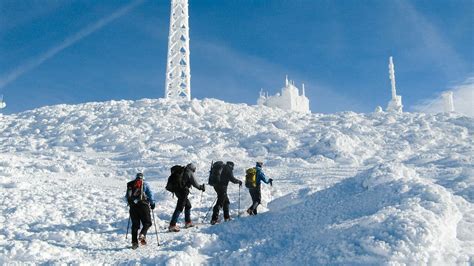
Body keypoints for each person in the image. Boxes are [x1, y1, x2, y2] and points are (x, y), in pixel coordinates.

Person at [169, 163, 205, 232]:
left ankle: (188, 222)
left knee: (188, 205)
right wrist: (201, 187)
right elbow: (195, 184)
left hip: (178, 191)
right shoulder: (189, 172)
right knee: (179, 208)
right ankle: (172, 225)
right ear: (193, 169)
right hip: (183, 192)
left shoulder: (183, 171)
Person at [125, 173, 155, 250]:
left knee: (135, 225)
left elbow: (126, 197)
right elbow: (151, 194)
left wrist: (131, 203)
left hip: (133, 207)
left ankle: (134, 243)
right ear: (143, 178)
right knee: (147, 222)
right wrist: (152, 203)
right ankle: (142, 234)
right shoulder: (144, 184)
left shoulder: (131, 185)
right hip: (143, 205)